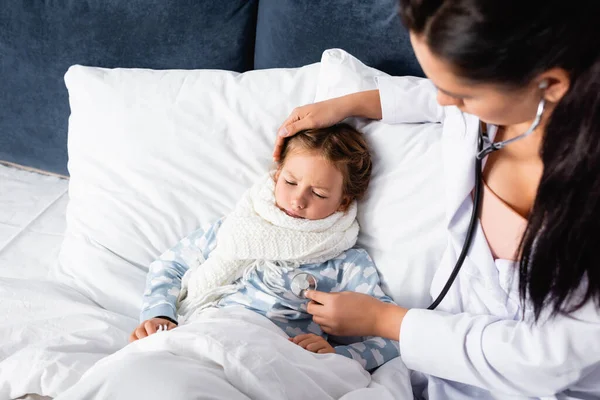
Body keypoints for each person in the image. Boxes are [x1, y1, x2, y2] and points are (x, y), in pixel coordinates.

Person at [273, 0, 600, 398]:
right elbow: (433, 96)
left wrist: (385, 321)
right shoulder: (497, 105)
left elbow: (549, 360)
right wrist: (345, 104)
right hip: (435, 364)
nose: (445, 102)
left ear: (550, 85)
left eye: (460, 94)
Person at [129, 123, 400, 372]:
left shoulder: (346, 263)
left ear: (343, 202)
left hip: (275, 352)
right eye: (290, 182)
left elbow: (392, 337)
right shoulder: (236, 227)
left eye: (318, 193)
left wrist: (340, 354)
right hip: (204, 330)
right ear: (277, 175)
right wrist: (159, 314)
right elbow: (169, 265)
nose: (298, 200)